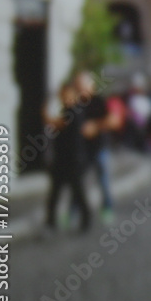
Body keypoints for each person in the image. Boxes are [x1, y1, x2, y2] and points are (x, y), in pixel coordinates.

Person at [45, 84, 93, 233]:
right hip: (63, 160)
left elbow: (57, 125)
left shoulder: (73, 112)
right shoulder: (68, 111)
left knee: (77, 193)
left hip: (73, 160)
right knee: (55, 194)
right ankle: (51, 222)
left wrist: (45, 113)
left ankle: (85, 219)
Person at [74, 71, 115, 223]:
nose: (80, 88)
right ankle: (75, 210)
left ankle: (107, 207)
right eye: (78, 85)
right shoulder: (76, 103)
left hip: (98, 147)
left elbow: (111, 121)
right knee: (78, 181)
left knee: (103, 179)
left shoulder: (98, 101)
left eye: (83, 84)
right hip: (82, 149)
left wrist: (95, 127)